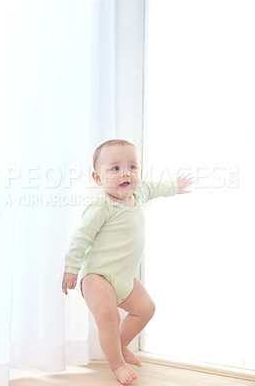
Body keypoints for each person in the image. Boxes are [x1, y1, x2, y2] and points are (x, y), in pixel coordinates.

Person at [62, 139, 193, 385]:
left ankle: (120, 344)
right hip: (97, 276)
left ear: (139, 172)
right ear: (98, 178)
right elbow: (81, 238)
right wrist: (71, 269)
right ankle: (117, 364)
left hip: (124, 277)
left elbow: (155, 188)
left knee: (146, 309)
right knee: (108, 316)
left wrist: (175, 186)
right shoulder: (102, 207)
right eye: (115, 168)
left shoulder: (139, 193)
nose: (125, 173)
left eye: (132, 167)